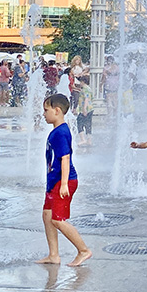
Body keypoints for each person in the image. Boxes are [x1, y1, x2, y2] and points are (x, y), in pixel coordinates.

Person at [37, 92, 92, 266]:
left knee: (57, 220)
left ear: (57, 110)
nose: (44, 114)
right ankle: (53, 255)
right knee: (47, 215)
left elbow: (65, 158)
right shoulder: (58, 130)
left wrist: (64, 184)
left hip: (63, 182)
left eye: (46, 110)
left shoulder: (60, 133)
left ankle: (83, 250)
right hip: (55, 181)